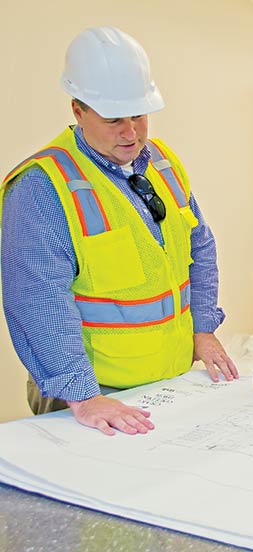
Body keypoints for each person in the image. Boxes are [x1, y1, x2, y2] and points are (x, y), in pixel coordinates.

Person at [0, 26, 237, 436]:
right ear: (78, 110)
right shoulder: (42, 187)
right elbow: (38, 300)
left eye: (139, 115)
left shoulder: (162, 162)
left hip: (167, 384)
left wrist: (203, 328)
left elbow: (200, 247)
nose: (131, 133)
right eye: (113, 120)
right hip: (92, 396)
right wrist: (83, 396)